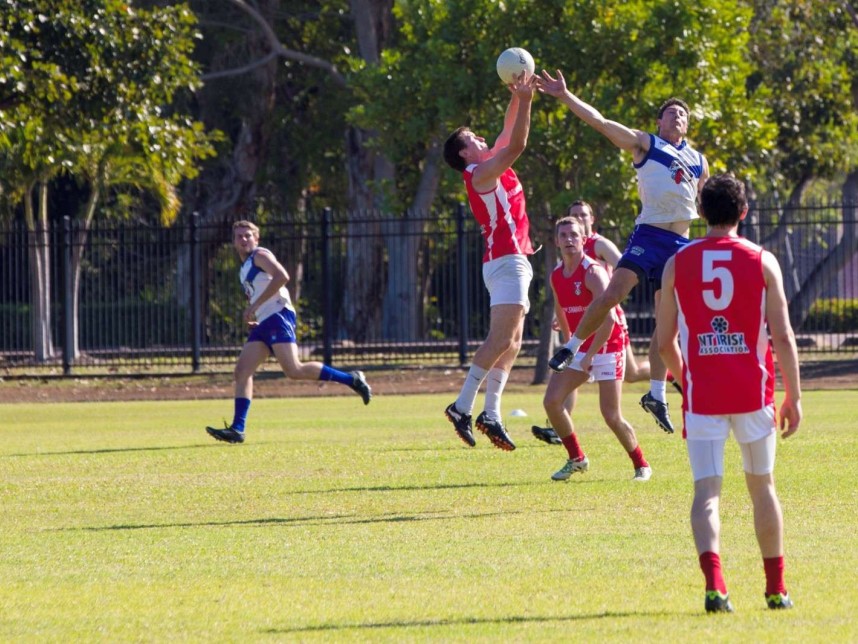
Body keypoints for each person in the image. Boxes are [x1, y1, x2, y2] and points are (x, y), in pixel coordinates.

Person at [656, 173, 801, 613]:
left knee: (707, 494)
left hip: (705, 398)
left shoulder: (676, 263)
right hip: (753, 395)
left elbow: (664, 343)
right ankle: (775, 589)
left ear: (700, 213)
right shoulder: (763, 260)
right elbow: (784, 335)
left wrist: (687, 381)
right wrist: (794, 394)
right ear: (744, 212)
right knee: (763, 489)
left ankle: (716, 587)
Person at [537, 70, 709, 435]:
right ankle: (571, 346)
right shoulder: (645, 145)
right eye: (671, 112)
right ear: (659, 122)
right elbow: (600, 122)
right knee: (613, 293)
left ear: (688, 124)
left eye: (683, 114)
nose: (677, 116)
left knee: (668, 328)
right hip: (649, 236)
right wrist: (566, 97)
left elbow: (707, 204)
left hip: (680, 244)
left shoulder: (698, 160)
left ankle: (657, 394)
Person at [440, 72, 538, 452]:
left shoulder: (488, 163)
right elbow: (517, 144)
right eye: (474, 140)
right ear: (465, 153)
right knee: (500, 338)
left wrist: (516, 95)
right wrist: (527, 101)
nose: (482, 140)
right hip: (506, 260)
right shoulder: (480, 173)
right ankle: (462, 406)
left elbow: (505, 132)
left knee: (513, 342)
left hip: (513, 260)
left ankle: (491, 412)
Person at [206, 220, 371, 444]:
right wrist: (258, 316)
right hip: (266, 320)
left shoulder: (259, 255)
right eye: (239, 236)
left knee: (294, 369)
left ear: (256, 238)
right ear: (233, 241)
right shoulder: (244, 268)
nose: (243, 239)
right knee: (242, 371)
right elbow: (261, 291)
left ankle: (352, 379)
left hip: (278, 316)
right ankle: (238, 429)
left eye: (248, 235)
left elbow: (282, 276)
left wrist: (255, 308)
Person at [532, 199, 675, 445]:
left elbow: (626, 267)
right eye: (575, 214)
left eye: (584, 215)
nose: (580, 218)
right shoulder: (567, 252)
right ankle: (560, 426)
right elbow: (563, 291)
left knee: (622, 382)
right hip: (584, 322)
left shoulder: (598, 245)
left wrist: (605, 290)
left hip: (609, 319)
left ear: (591, 219)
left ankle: (673, 374)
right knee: (616, 372)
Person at [543, 216, 652, 481]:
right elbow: (561, 308)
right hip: (581, 348)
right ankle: (576, 458)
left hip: (607, 346)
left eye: (574, 235)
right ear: (556, 241)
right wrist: (570, 346)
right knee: (552, 402)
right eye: (564, 235)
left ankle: (641, 465)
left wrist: (590, 355)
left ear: (584, 239)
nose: (569, 239)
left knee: (611, 415)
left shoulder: (593, 272)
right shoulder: (556, 275)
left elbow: (609, 319)